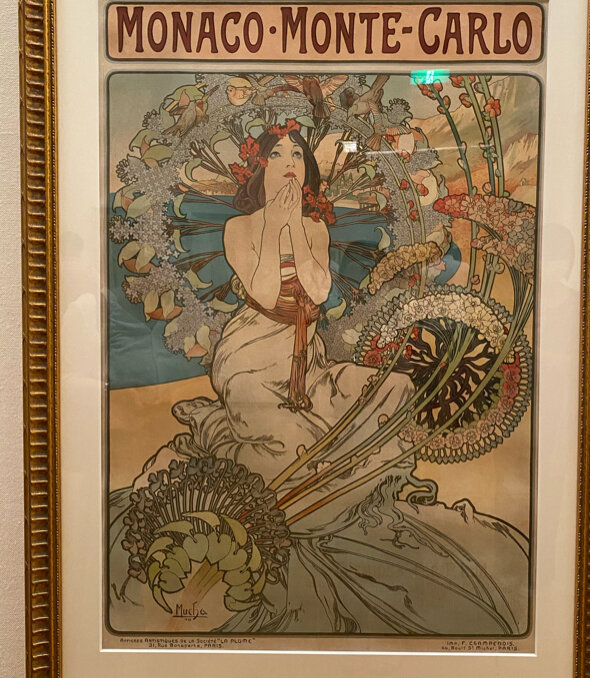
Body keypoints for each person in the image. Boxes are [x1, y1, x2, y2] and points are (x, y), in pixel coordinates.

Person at [109, 122, 530, 637]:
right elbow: (265, 290)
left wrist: (296, 227)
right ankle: (214, 425)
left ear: (307, 170)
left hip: (308, 358)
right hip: (250, 354)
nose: (289, 162)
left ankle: (305, 463)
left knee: (395, 388)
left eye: (298, 155)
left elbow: (319, 288)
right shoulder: (238, 228)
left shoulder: (315, 229)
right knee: (292, 446)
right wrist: (275, 226)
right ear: (259, 165)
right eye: (278, 154)